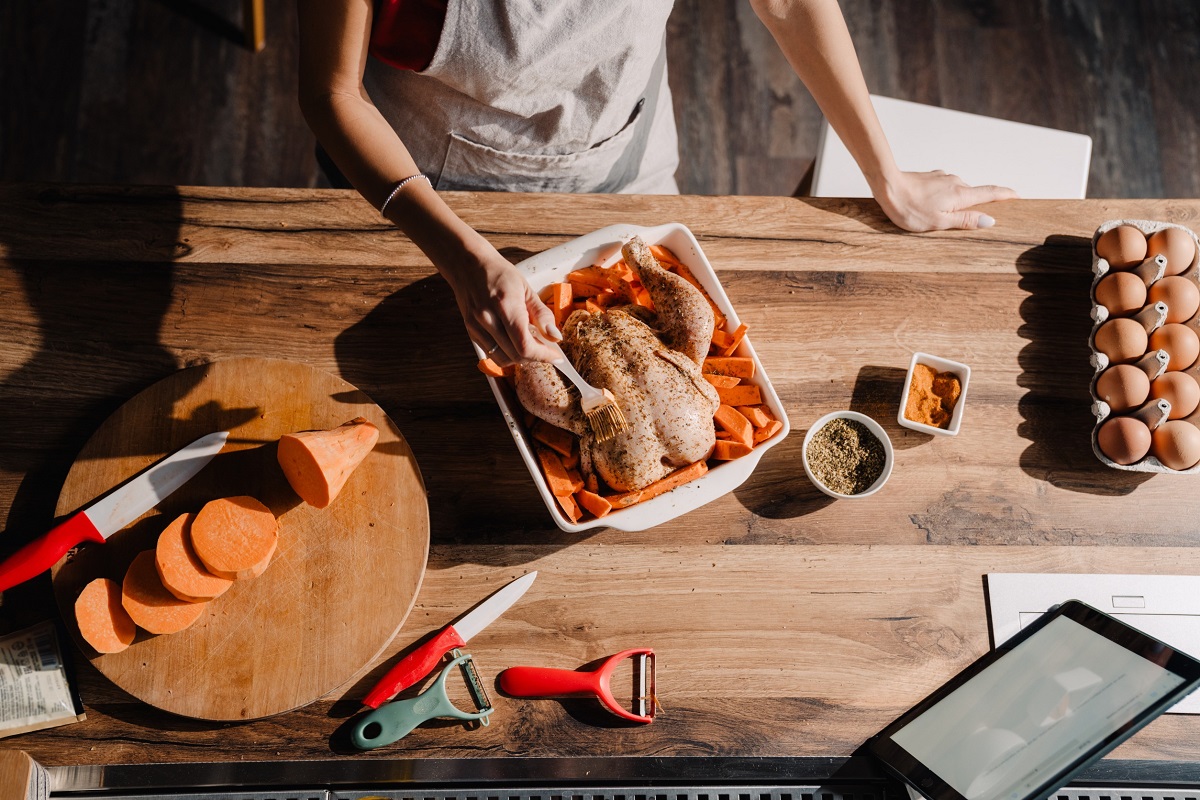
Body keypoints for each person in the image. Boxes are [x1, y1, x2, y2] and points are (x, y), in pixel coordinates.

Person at [297, 0, 1016, 365]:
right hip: (426, 195)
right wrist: (460, 258)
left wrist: (887, 176)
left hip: (625, 158)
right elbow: (332, 95)